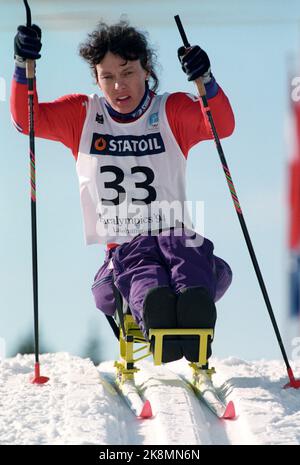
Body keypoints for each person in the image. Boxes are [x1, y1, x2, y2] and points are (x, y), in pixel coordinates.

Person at [11, 20, 235, 363]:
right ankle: (155, 309)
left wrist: (205, 80)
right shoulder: (84, 114)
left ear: (147, 69)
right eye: (107, 76)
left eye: (128, 72)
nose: (118, 86)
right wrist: (22, 67)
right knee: (141, 266)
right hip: (125, 243)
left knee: (186, 251)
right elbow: (28, 121)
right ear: (96, 79)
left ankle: (193, 309)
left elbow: (221, 126)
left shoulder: (169, 110)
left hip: (174, 232)